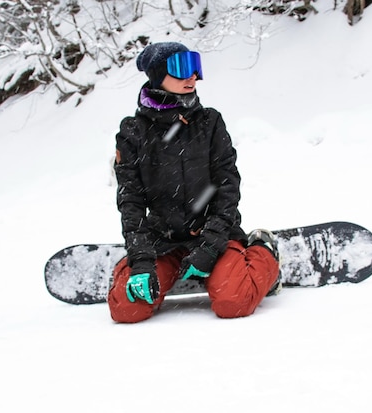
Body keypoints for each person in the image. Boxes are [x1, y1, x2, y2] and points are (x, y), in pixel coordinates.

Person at [108, 42, 280, 323]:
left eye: (195, 68)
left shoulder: (209, 122)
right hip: (163, 240)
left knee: (232, 302)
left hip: (215, 235)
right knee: (127, 310)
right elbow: (131, 201)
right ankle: (131, 271)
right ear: (156, 75)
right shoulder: (132, 132)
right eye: (181, 68)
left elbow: (227, 188)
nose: (193, 77)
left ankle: (264, 251)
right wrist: (140, 262)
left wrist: (211, 246)